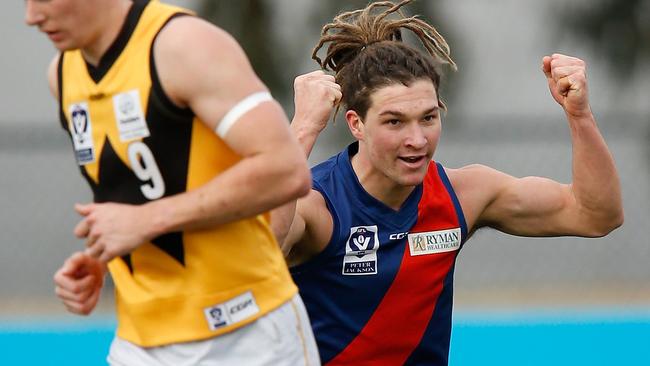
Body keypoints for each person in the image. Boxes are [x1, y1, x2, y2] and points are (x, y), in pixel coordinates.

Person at [272, 0, 624, 365]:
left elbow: (595, 214)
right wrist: (303, 127)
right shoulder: (318, 205)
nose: (417, 139)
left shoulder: (463, 195)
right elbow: (254, 241)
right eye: (395, 122)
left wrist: (579, 115)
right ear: (356, 123)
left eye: (427, 118)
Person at [25, 0, 320, 364]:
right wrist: (103, 254)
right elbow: (142, 188)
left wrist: (145, 222)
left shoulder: (183, 45)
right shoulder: (62, 74)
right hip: (138, 343)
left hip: (246, 334)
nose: (31, 17)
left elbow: (285, 170)